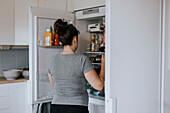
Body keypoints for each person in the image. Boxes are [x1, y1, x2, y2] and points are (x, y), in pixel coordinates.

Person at [48, 19, 105, 113]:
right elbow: (99, 86)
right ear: (75, 39)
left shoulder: (52, 60)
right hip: (76, 108)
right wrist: (103, 64)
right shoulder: (82, 60)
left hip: (56, 107)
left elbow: (55, 84)